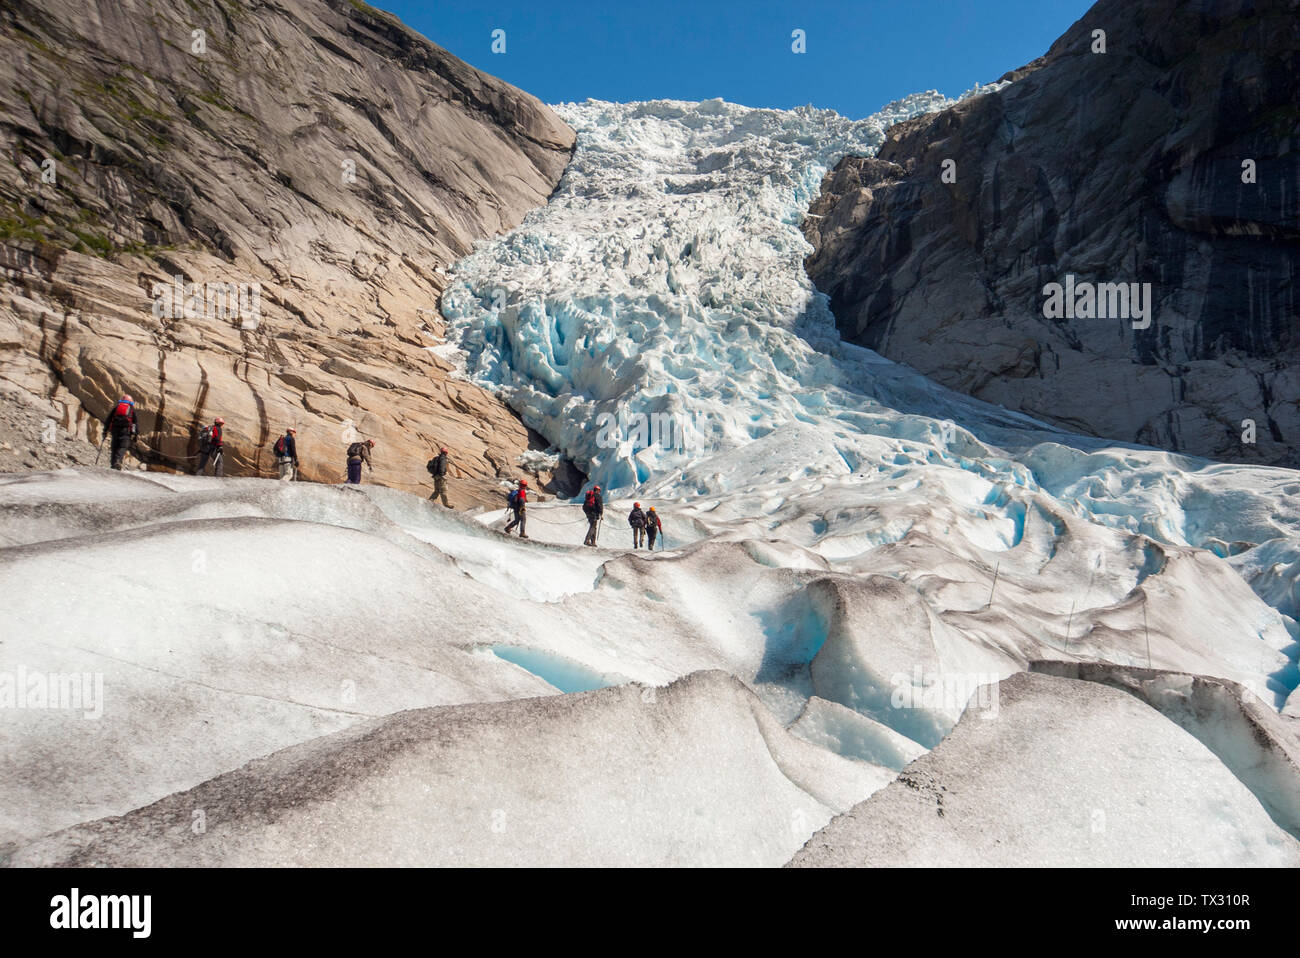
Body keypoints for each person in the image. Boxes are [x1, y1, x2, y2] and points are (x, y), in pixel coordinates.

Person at [103, 394, 137, 470]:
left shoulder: (116, 408)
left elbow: (109, 420)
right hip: (126, 432)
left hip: (115, 431)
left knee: (114, 447)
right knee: (122, 447)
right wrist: (134, 434)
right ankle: (118, 461)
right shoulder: (131, 410)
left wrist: (105, 431)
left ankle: (113, 465)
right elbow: (135, 423)